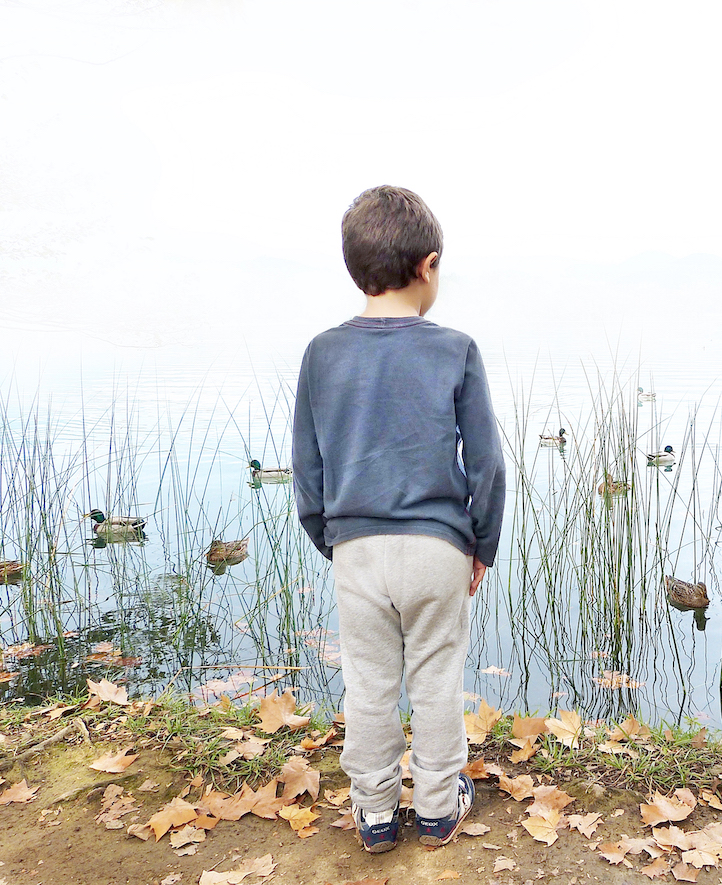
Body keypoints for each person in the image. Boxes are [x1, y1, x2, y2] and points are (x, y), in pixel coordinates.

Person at [292, 185, 506, 853]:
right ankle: (440, 808)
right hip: (438, 548)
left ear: (355, 268)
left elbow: (308, 467)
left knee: (370, 683)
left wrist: (333, 538)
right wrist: (482, 545)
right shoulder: (455, 349)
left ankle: (376, 813)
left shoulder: (322, 353)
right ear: (429, 264)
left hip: (357, 546)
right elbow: (489, 466)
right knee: (435, 680)